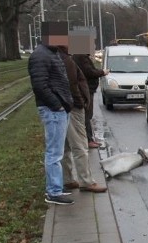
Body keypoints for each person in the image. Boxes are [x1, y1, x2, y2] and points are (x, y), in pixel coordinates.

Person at [29, 38, 74, 205]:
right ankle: (54, 192)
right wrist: (57, 105)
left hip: (59, 108)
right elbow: (39, 85)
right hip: (54, 110)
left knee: (57, 151)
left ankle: (56, 188)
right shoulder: (40, 55)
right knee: (54, 153)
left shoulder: (52, 53)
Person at [57, 45, 107, 194]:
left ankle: (67, 179)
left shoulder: (59, 58)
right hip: (72, 108)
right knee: (79, 146)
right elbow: (73, 84)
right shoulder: (67, 60)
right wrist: (80, 102)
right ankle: (86, 181)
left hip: (62, 107)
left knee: (64, 146)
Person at [73, 52, 108, 147]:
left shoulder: (80, 56)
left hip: (87, 90)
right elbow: (89, 72)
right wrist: (102, 72)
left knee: (87, 115)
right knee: (87, 115)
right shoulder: (81, 56)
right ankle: (88, 140)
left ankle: (88, 139)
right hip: (86, 90)